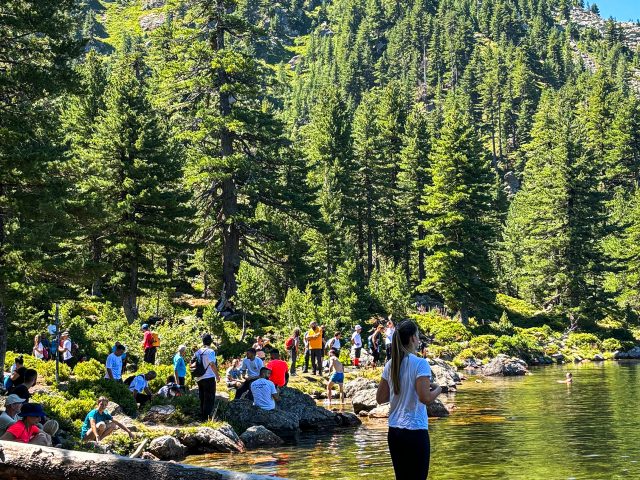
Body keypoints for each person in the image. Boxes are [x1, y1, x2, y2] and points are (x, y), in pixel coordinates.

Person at [376, 320, 442, 480]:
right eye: (418, 336)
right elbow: (425, 398)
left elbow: (380, 398)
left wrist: (400, 389)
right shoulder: (421, 364)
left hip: (395, 432)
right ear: (413, 338)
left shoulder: (391, 364)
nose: (419, 339)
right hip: (415, 430)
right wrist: (439, 389)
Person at [192, 334, 221, 420]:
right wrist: (217, 376)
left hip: (199, 378)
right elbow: (212, 364)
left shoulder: (198, 352)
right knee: (209, 398)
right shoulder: (210, 351)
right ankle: (206, 418)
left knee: (202, 398)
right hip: (209, 377)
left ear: (203, 341)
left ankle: (202, 416)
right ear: (210, 342)